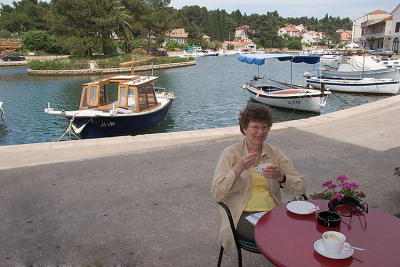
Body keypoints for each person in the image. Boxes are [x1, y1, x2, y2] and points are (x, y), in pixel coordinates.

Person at [211, 103, 306, 250]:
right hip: (242, 214)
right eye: (255, 127)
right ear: (244, 128)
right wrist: (238, 168)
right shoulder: (230, 154)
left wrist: (282, 177)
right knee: (279, 238)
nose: (260, 132)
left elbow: (301, 187)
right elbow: (217, 193)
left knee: (300, 232)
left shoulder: (275, 154)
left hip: (273, 213)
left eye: (264, 127)